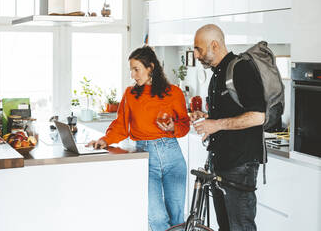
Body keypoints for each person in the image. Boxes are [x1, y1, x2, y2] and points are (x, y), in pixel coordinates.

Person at [87, 46, 190, 231]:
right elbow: (121, 125)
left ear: (150, 67)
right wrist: (105, 140)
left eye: (137, 69)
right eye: (131, 70)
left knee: (177, 218)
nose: (133, 75)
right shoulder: (130, 94)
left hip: (173, 156)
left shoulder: (174, 92)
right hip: (145, 156)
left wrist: (173, 126)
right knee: (157, 217)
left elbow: (184, 125)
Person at [190, 24, 266, 231]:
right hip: (220, 163)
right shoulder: (217, 74)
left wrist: (215, 124)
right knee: (225, 226)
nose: (196, 54)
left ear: (214, 44)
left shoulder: (240, 68)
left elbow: (258, 116)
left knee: (240, 226)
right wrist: (207, 118)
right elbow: (228, 114)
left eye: (199, 49)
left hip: (240, 165)